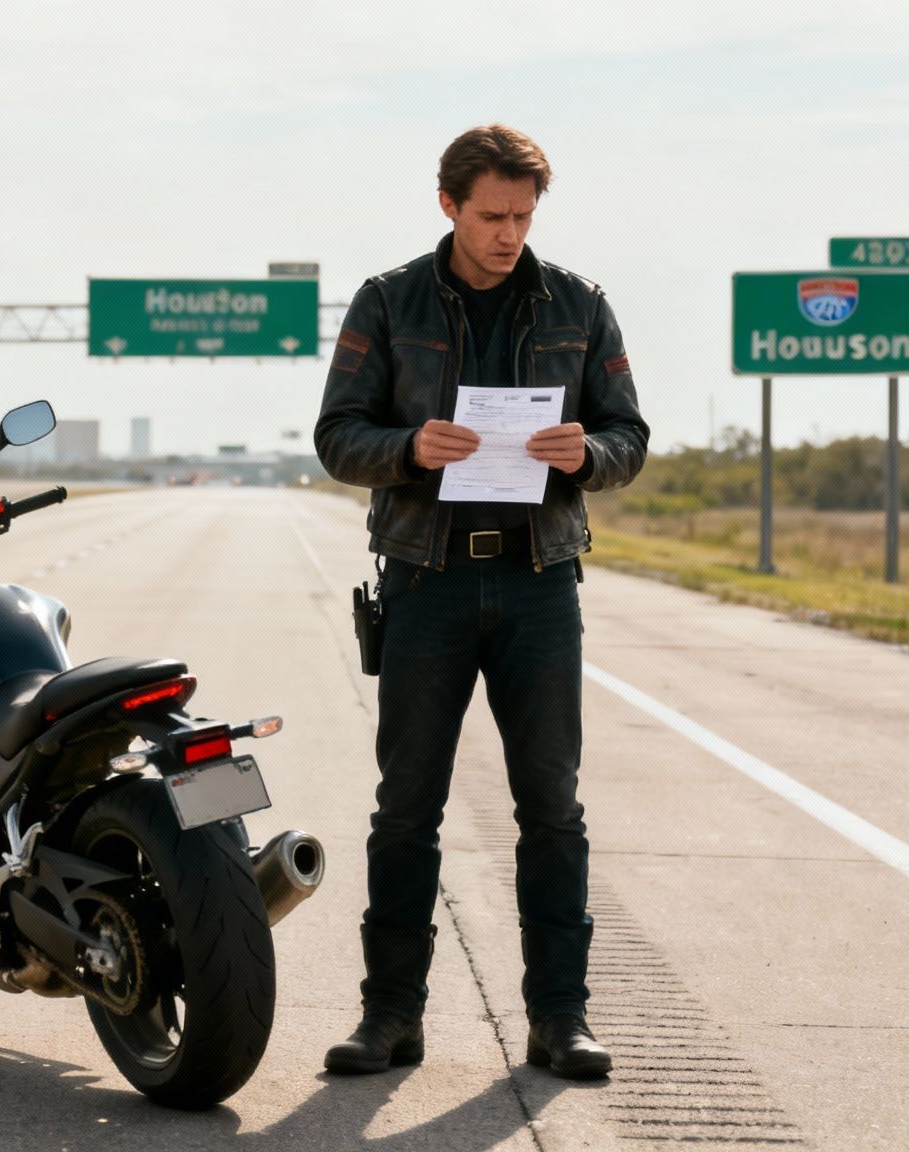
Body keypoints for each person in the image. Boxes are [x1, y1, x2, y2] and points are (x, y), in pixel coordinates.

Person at [312, 124, 649, 1078]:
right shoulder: (389, 301)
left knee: (551, 807)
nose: (509, 234)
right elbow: (337, 437)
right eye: (493, 215)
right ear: (449, 204)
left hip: (541, 582)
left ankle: (560, 1019)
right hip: (427, 578)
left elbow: (631, 436)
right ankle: (390, 1018)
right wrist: (409, 448)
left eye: (524, 216)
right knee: (405, 808)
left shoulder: (581, 306)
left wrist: (592, 455)